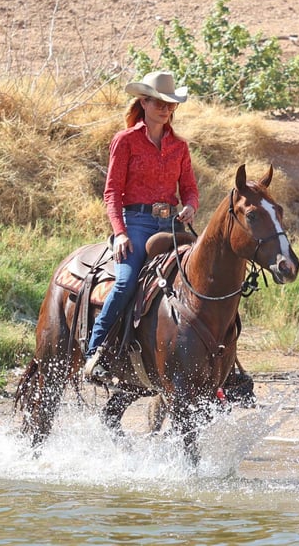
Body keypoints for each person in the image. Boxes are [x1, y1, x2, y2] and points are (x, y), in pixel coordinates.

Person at [84, 71, 199, 383]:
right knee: (125, 282)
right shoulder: (125, 141)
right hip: (136, 222)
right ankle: (95, 352)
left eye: (169, 104)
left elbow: (189, 188)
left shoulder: (179, 146)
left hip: (171, 222)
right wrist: (120, 232)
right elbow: (112, 193)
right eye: (158, 102)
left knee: (203, 280)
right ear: (144, 102)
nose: (165, 108)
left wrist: (190, 205)